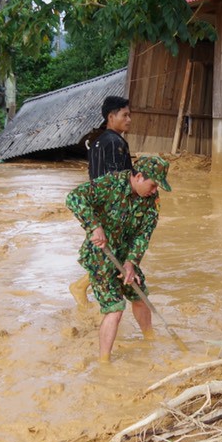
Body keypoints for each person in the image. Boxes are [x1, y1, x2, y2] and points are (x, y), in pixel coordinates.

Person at [65, 156, 172, 364]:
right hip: (100, 254)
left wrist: (131, 262)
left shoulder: (151, 200)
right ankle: (104, 362)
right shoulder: (111, 183)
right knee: (115, 308)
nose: (154, 190)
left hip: (125, 255)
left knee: (140, 296)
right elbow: (74, 197)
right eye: (152, 184)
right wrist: (94, 226)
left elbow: (144, 233)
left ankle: (150, 339)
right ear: (139, 177)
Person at [71, 95, 135, 306]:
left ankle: (82, 287)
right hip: (112, 208)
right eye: (125, 115)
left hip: (97, 206)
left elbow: (96, 180)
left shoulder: (98, 141)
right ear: (111, 116)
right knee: (111, 253)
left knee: (104, 252)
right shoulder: (116, 143)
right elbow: (119, 181)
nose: (129, 120)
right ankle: (82, 288)